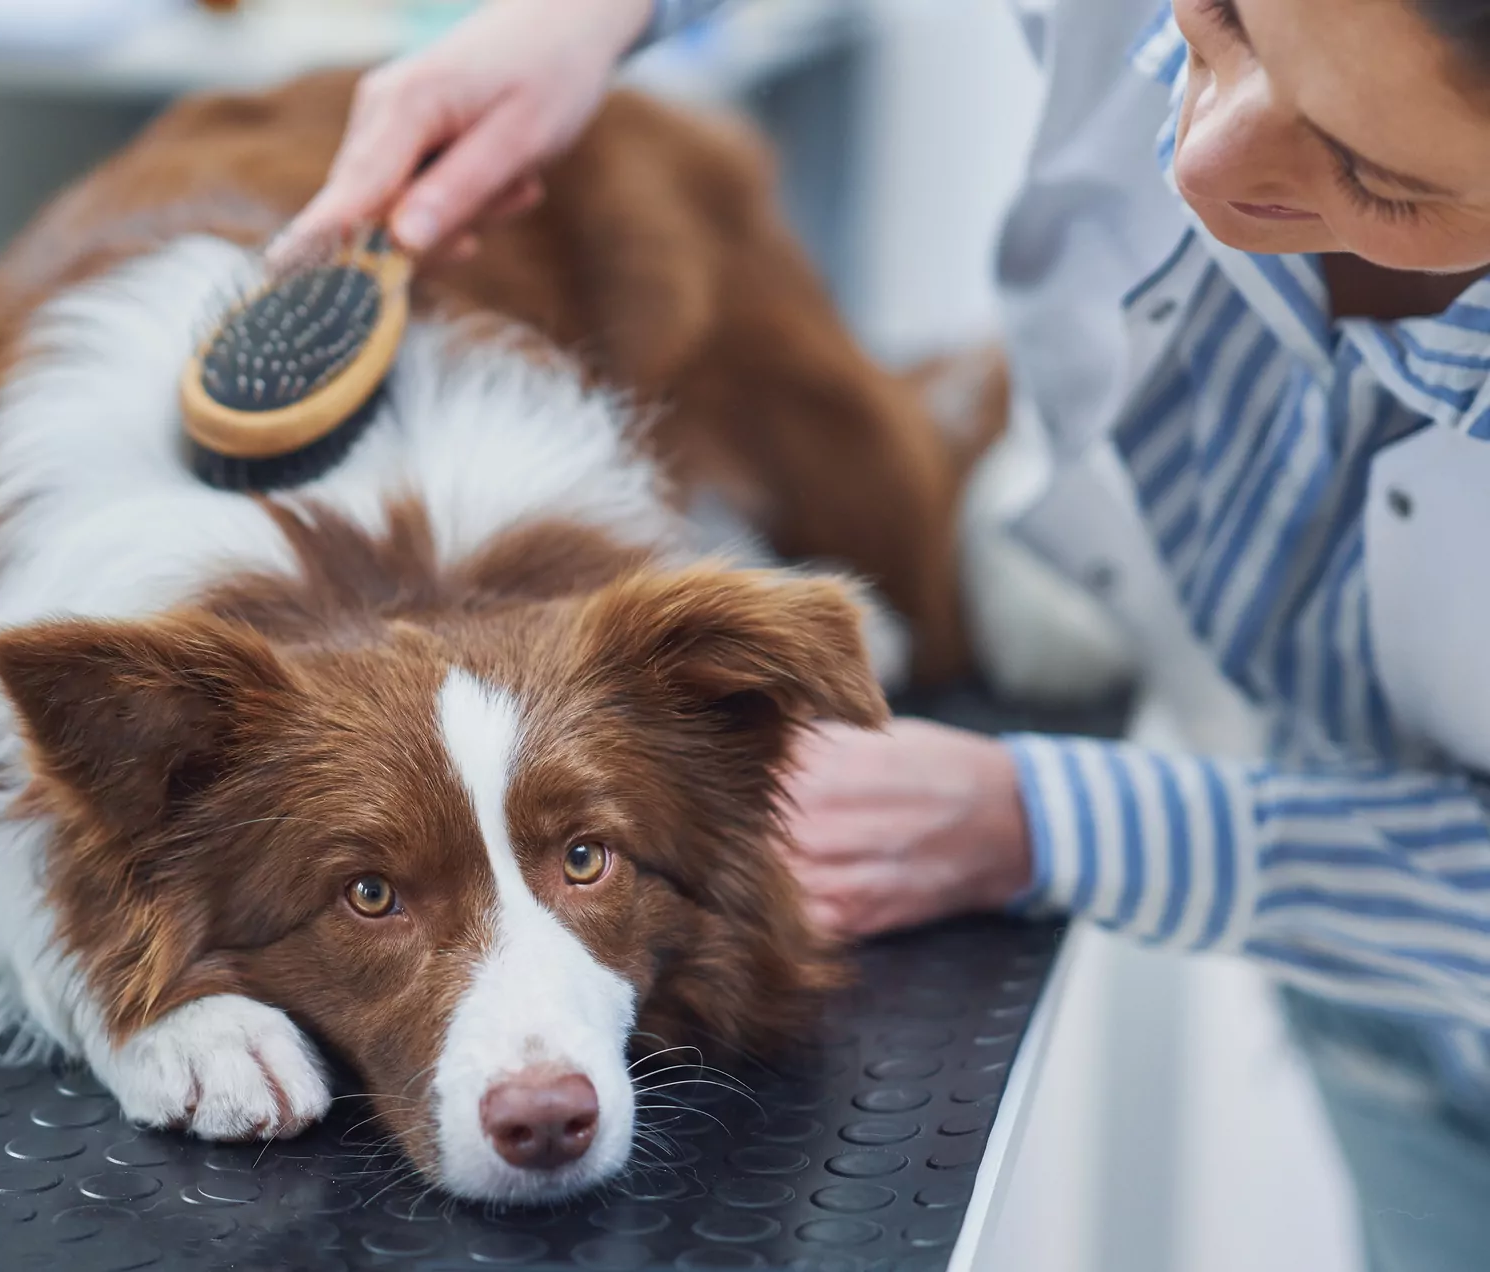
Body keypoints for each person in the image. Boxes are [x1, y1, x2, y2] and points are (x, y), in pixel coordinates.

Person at [276, 1, 1490, 1268]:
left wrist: (1048, 821)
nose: (1193, 161)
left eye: (1370, 173)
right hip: (1378, 1014)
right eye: (1216, 20)